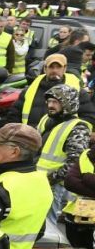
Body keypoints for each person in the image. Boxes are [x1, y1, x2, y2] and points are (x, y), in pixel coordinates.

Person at [37, 84, 91, 220]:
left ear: (68, 104)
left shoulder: (78, 127)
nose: (50, 105)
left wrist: (50, 179)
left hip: (56, 186)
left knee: (48, 224)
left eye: (55, 102)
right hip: (36, 180)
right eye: (49, 101)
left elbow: (74, 163)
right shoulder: (46, 119)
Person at [9, 53, 87, 127]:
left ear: (64, 68)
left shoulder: (76, 90)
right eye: (51, 67)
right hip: (29, 134)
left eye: (58, 67)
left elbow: (88, 116)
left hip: (59, 135)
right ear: (45, 69)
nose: (54, 70)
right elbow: (15, 113)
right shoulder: (30, 90)